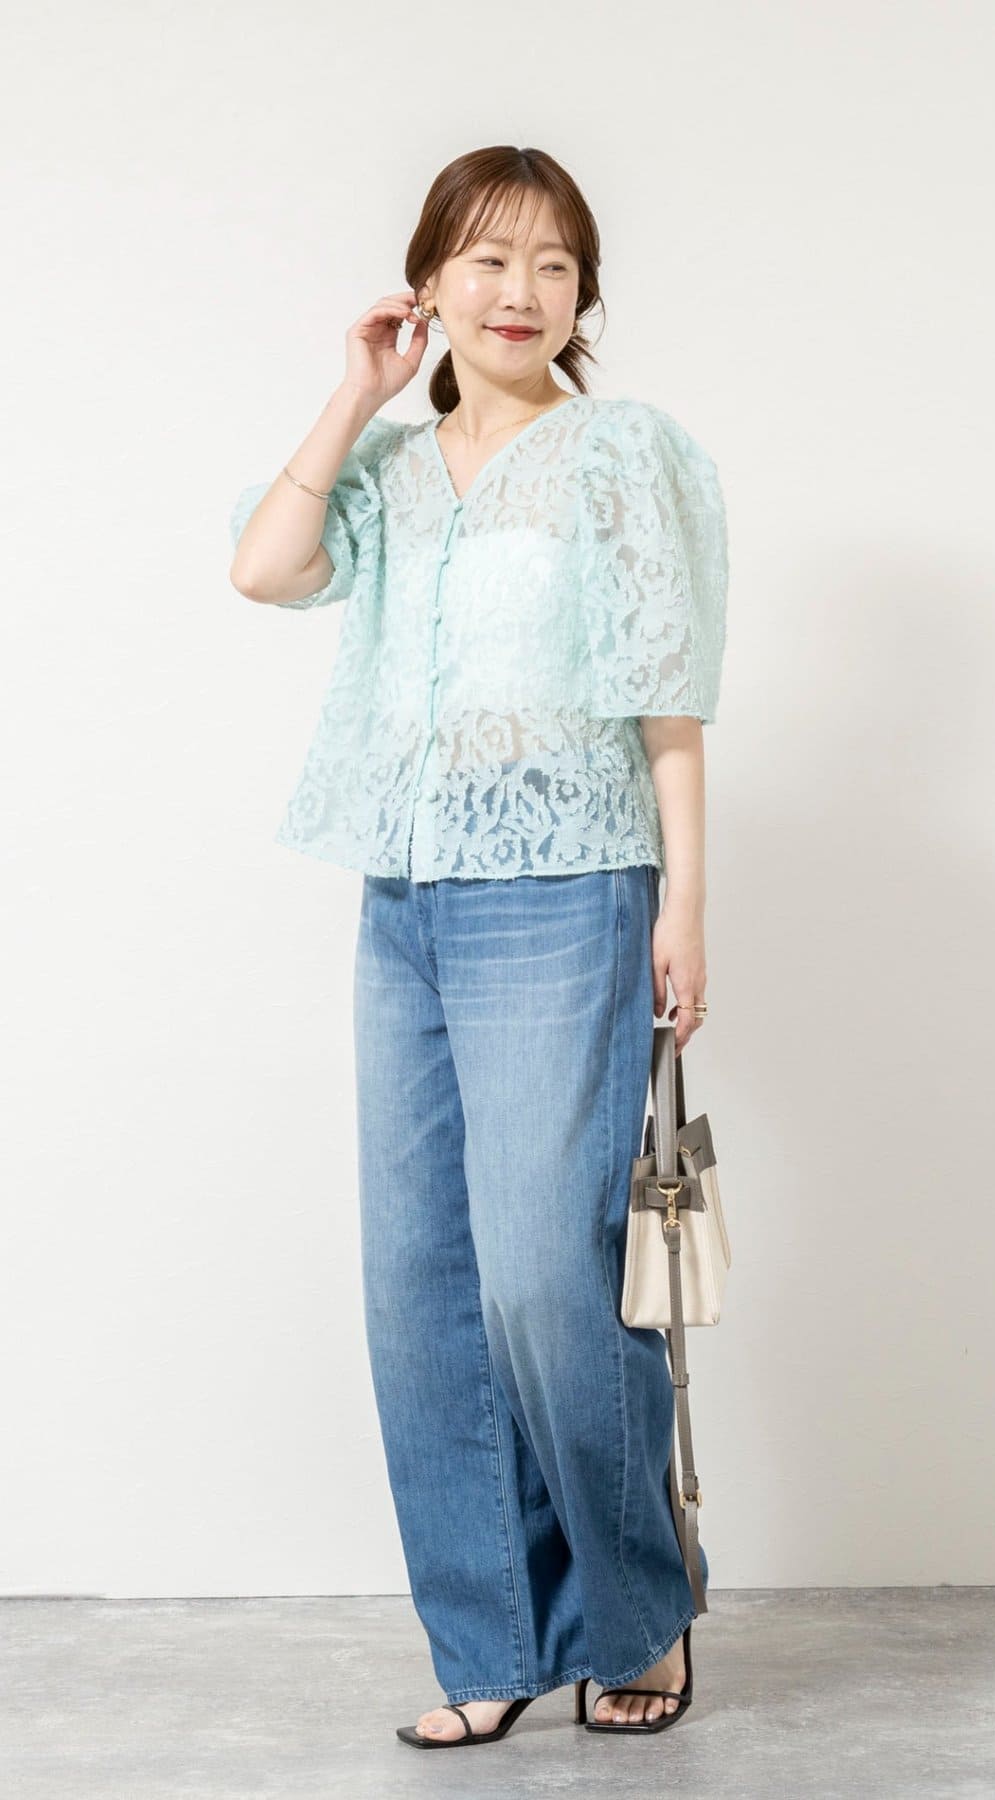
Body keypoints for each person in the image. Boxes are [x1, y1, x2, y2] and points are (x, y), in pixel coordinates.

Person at [227, 145, 727, 1745]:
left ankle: (638, 1614)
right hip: (404, 896)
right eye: (490, 261)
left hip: (566, 887)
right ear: (430, 282)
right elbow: (265, 569)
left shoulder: (619, 454)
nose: (523, 293)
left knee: (540, 1279)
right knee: (421, 1288)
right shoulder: (385, 472)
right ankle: (491, 1643)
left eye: (556, 265)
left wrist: (685, 903)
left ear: (585, 297)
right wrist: (354, 395)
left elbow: (668, 692)